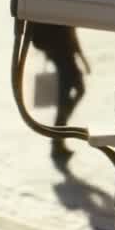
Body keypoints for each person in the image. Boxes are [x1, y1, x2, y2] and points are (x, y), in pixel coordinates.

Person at [30, 22, 90, 160]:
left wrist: (81, 57)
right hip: (62, 57)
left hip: (66, 55)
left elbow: (71, 32)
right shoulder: (50, 13)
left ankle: (58, 136)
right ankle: (57, 139)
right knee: (66, 99)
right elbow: (69, 33)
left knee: (75, 94)